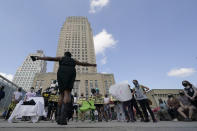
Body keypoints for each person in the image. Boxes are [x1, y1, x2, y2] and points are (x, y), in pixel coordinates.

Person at [31, 51, 96, 125]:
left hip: (61, 73)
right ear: (70, 56)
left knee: (61, 94)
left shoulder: (61, 58)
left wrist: (38, 58)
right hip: (70, 73)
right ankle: (63, 117)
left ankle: (58, 117)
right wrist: (92, 64)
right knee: (67, 93)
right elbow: (83, 64)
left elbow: (50, 58)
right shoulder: (73, 60)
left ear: (65, 55)